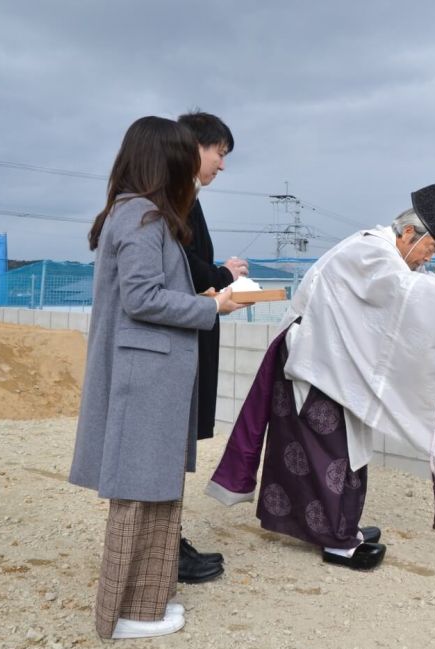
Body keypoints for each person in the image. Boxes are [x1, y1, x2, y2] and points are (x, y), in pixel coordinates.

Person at [205, 184, 435, 570]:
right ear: (410, 234)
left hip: (335, 362)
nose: (425, 261)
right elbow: (404, 291)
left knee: (346, 449)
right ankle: (335, 540)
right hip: (313, 361)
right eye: (429, 250)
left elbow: (406, 300)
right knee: (326, 453)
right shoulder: (370, 250)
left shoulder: (388, 255)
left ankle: (343, 525)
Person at [69, 116, 244, 640]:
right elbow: (142, 298)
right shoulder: (141, 217)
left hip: (152, 378)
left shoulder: (136, 213)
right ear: (159, 160)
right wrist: (211, 307)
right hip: (143, 380)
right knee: (138, 500)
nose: (189, 165)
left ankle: (143, 607)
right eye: (179, 156)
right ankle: (119, 615)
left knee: (155, 497)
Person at [173, 110, 248, 584]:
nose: (221, 164)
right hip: (183, 331)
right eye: (218, 152)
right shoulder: (169, 199)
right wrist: (225, 276)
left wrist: (218, 274)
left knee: (176, 443)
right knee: (169, 444)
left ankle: (169, 541)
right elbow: (188, 267)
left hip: (192, 326)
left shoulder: (183, 197)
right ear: (192, 147)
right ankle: (167, 546)